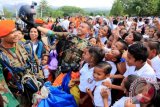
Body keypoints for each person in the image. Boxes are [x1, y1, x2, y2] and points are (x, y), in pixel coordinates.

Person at [0, 20, 39, 107]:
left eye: (15, 31)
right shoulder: (1, 55)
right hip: (15, 96)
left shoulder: (25, 45)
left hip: (32, 89)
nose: (16, 34)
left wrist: (39, 81)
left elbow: (34, 62)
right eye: (11, 32)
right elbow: (1, 85)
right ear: (2, 36)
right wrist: (12, 104)